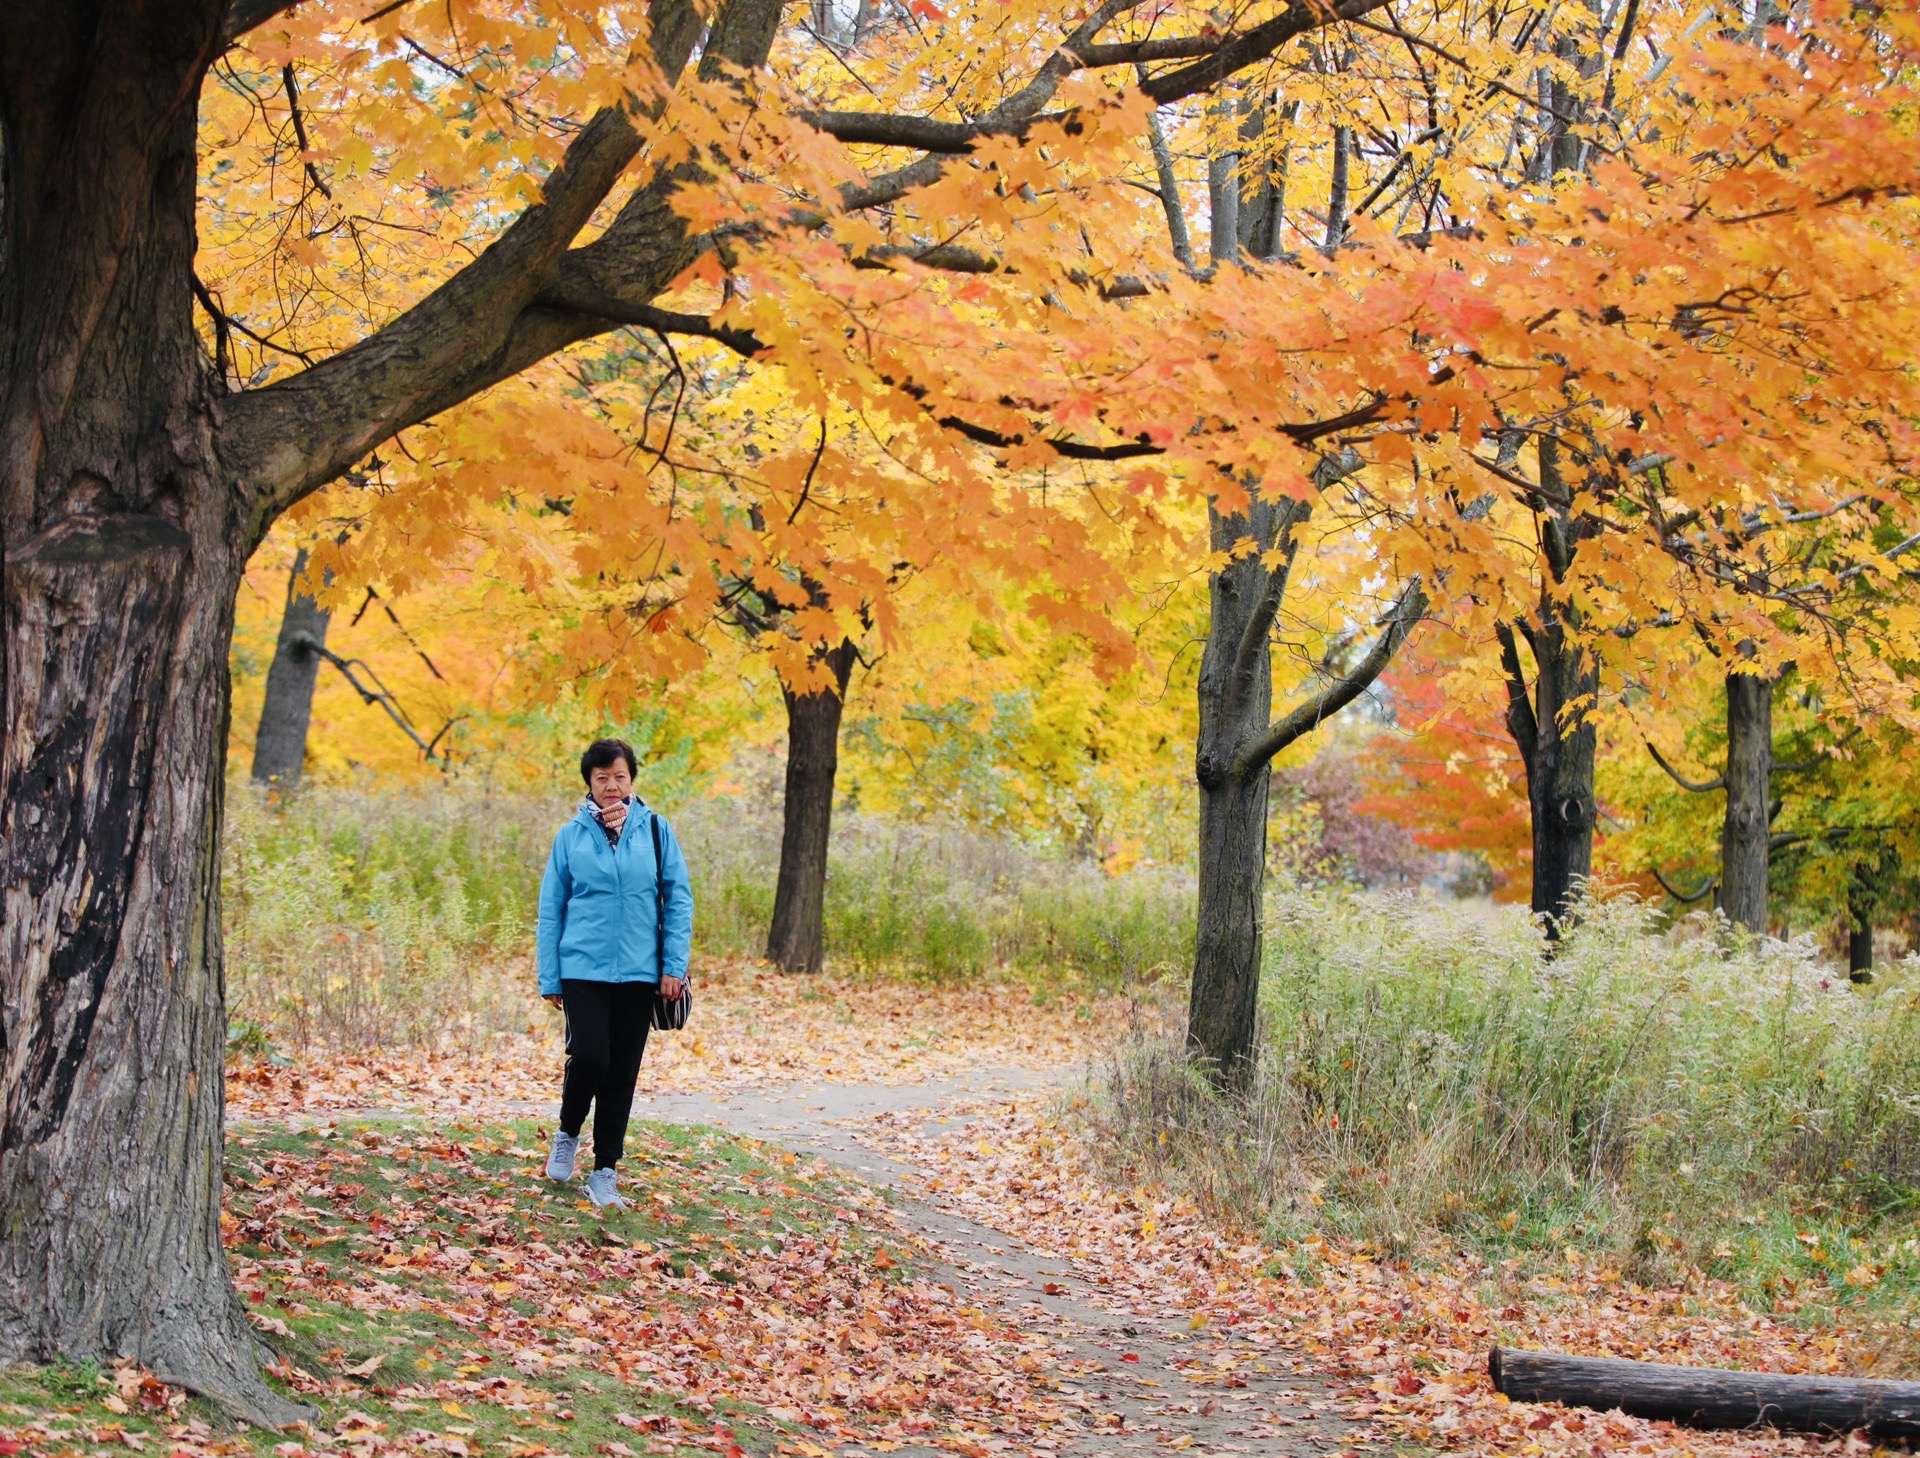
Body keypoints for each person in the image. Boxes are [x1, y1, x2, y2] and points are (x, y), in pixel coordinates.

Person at [536, 738, 694, 1208]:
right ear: (589, 781)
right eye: (602, 777)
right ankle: (567, 1132)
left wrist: (673, 966)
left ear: (632, 781)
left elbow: (678, 900)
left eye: (619, 777)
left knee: (622, 1071)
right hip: (582, 965)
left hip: (640, 969)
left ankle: (605, 1169)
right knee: (590, 1056)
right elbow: (551, 909)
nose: (611, 785)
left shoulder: (657, 831)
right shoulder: (571, 835)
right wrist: (550, 976)